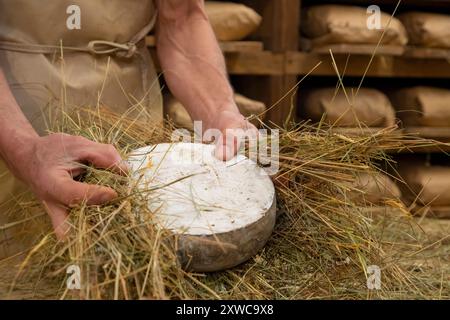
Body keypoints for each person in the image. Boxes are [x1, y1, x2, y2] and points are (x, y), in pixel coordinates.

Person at [0, 0, 255, 245]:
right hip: (18, 116)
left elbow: (183, 17)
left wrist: (219, 112)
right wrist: (23, 149)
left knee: (137, 260)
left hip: (132, 111)